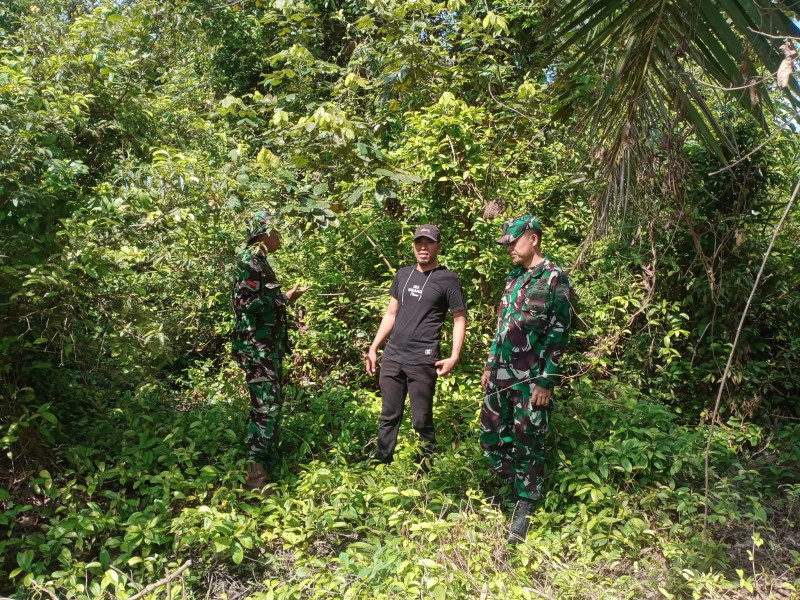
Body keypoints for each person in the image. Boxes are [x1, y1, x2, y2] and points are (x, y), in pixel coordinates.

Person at [480, 215, 573, 543]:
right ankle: (512, 489)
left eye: (513, 242)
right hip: (501, 375)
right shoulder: (514, 277)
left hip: (531, 380)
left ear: (533, 239)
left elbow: (559, 333)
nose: (509, 249)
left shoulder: (555, 279)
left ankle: (525, 505)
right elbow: (502, 325)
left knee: (527, 442)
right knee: (490, 437)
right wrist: (490, 366)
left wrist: (546, 381)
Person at [365, 225, 467, 469]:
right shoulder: (403, 274)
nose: (423, 247)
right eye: (419, 242)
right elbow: (391, 313)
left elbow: (459, 318)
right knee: (389, 416)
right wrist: (374, 346)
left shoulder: (448, 279)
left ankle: (425, 470)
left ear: (438, 246)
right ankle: (381, 466)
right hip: (393, 357)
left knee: (421, 420)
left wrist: (454, 356)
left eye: (429, 242)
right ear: (413, 246)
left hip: (423, 360)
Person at [232, 210, 309, 493]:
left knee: (272, 405)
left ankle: (267, 467)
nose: (280, 235)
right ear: (263, 233)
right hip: (256, 349)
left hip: (267, 348)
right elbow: (246, 304)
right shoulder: (248, 262)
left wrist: (285, 299)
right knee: (266, 408)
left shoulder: (260, 262)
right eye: (276, 230)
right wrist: (283, 298)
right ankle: (256, 480)